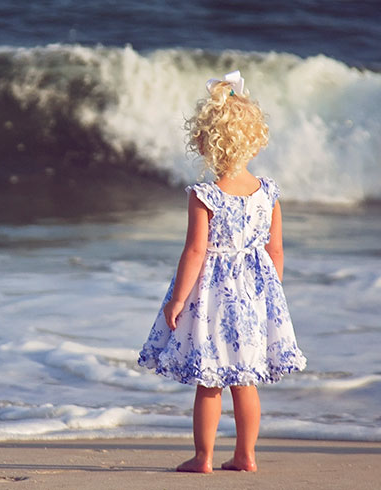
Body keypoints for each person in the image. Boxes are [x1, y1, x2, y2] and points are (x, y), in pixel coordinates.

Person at [137, 70, 306, 474]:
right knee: (244, 380)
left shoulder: (205, 196)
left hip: (211, 297)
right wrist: (269, 296)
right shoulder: (269, 193)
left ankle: (204, 457)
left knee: (210, 379)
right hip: (253, 296)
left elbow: (195, 251)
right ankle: (246, 455)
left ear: (206, 143)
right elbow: (275, 250)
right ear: (254, 139)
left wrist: (178, 299)